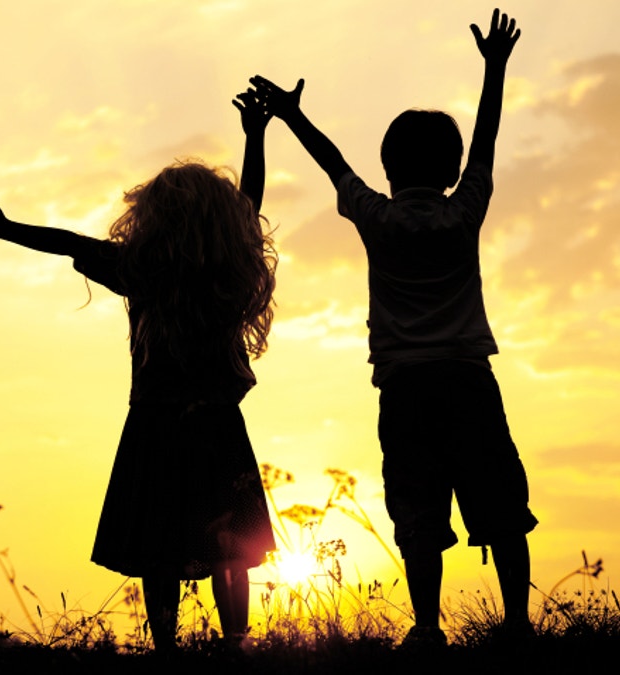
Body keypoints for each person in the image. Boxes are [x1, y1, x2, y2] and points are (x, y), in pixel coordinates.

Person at [249, 9, 535, 646]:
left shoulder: (377, 218)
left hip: (405, 388)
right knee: (499, 504)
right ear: (454, 169)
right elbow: (487, 140)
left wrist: (292, 116)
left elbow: (331, 162)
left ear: (387, 169)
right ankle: (517, 626)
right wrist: (495, 69)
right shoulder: (465, 212)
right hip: (467, 379)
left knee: (417, 507)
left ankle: (428, 628)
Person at [0, 91, 278, 650]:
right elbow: (249, 207)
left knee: (159, 548)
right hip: (218, 426)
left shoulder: (141, 268)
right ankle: (238, 643)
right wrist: (255, 135)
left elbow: (68, 243)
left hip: (155, 427)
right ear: (221, 222)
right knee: (230, 546)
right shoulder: (229, 266)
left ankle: (167, 649)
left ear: (154, 219)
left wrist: (7, 230)